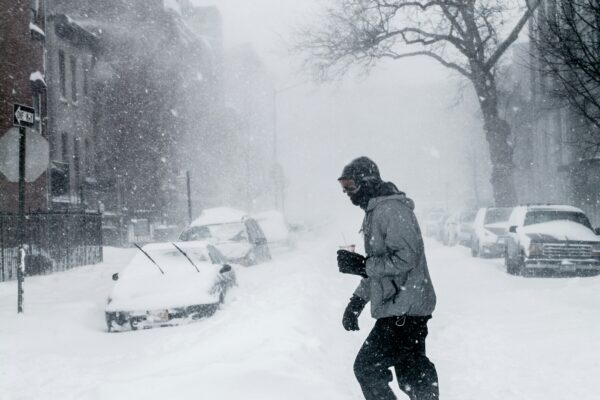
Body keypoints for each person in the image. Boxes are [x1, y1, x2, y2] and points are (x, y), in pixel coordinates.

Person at [336, 156, 439, 400]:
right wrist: (357, 301)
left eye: (350, 186)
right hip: (402, 307)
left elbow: (406, 259)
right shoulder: (376, 211)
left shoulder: (390, 210)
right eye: (343, 188)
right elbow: (380, 267)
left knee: (367, 367)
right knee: (411, 374)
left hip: (404, 309)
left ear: (367, 182)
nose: (347, 193)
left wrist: (363, 264)